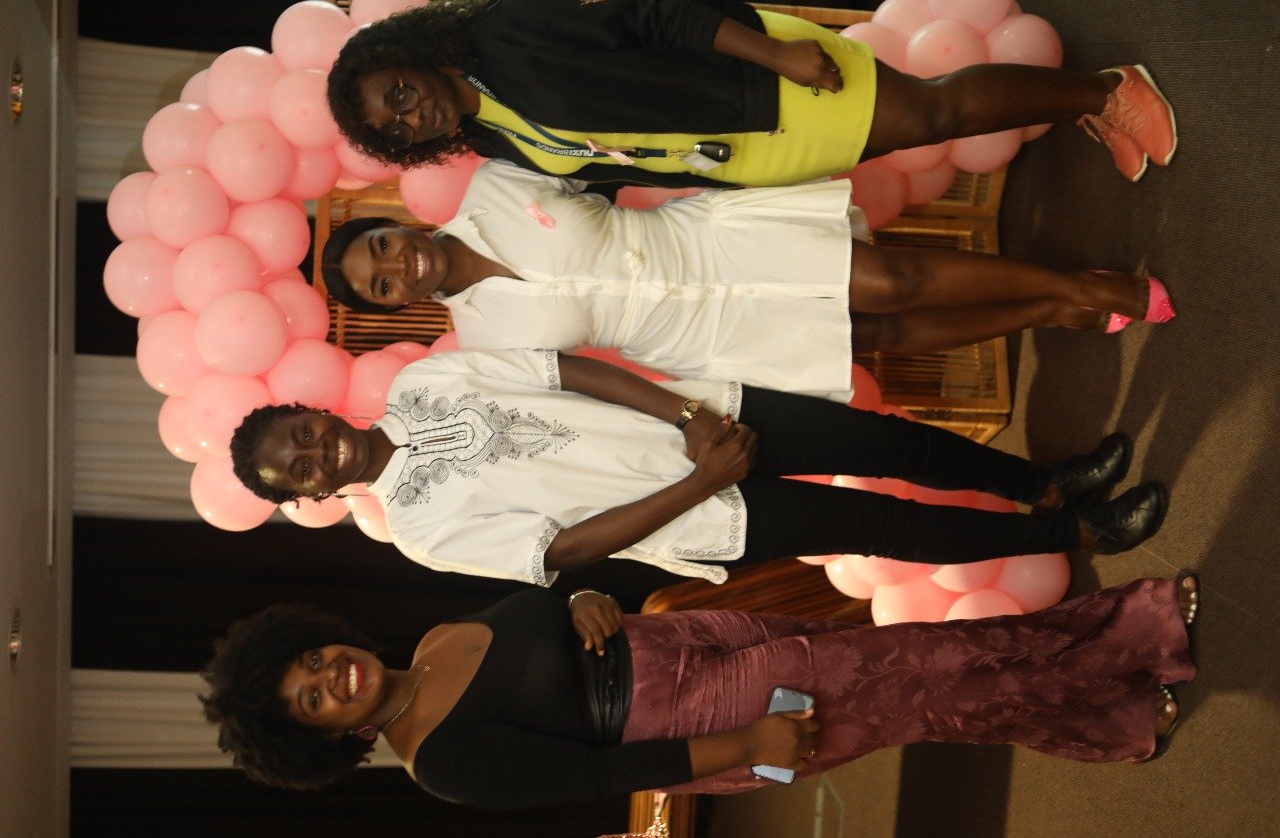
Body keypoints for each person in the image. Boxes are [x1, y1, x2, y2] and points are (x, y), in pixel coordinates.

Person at [200, 575, 1199, 805]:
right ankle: (1138, 632)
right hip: (704, 719)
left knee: (927, 684)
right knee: (931, 671)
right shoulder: (441, 761)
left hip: (691, 636)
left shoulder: (432, 639)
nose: (331, 677)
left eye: (310, 662)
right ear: (328, 739)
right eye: (314, 701)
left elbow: (555, 610)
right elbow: (597, 775)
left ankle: (1110, 716)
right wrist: (746, 748)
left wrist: (584, 596)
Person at [228, 348, 1165, 585]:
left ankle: (1048, 481)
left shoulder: (424, 380)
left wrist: (689, 420)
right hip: (708, 513)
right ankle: (1074, 532)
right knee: (884, 525)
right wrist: (700, 482)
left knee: (888, 442)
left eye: (299, 433)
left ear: (313, 411)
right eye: (297, 470)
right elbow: (560, 551)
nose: (313, 452)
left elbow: (563, 371)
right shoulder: (420, 533)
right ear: (312, 497)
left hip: (710, 416)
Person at [320, 161, 1172, 398]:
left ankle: (1081, 286)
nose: (397, 267)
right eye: (382, 285)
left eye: (382, 247)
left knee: (893, 279)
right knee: (875, 335)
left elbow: (613, 160)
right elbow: (583, 381)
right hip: (692, 339)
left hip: (705, 244)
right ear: (396, 308)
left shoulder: (493, 185)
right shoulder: (482, 341)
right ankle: (1048, 307)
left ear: (397, 224)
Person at [326, 0, 1175, 186]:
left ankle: (1104, 91)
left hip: (756, 77)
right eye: (393, 129)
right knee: (921, 125)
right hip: (740, 149)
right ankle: (1084, 103)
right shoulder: (488, 135)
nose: (410, 115)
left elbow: (656, 9)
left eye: (395, 93)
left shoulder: (507, 25)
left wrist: (777, 57)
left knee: (934, 109)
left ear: (408, 55)